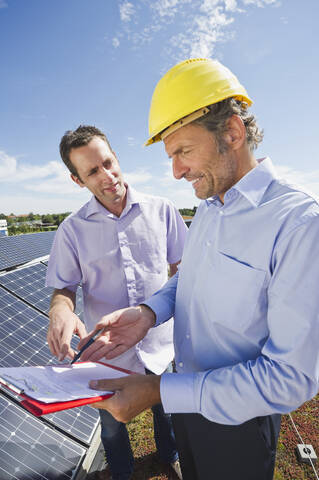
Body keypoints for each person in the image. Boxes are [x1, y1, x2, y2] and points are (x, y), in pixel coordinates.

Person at [79, 58, 319, 480]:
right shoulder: (209, 207)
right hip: (185, 403)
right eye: (172, 156)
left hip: (239, 424)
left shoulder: (298, 224)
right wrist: (148, 313)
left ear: (232, 132)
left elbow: (289, 380)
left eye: (183, 152)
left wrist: (157, 391)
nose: (176, 171)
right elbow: (188, 280)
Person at [45, 125, 187, 480]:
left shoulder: (163, 210)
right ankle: (122, 473)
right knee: (111, 427)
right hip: (106, 354)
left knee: (166, 409)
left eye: (109, 162)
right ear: (78, 180)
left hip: (159, 342)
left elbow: (182, 269)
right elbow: (63, 289)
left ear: (116, 157)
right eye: (93, 171)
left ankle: (169, 458)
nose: (108, 176)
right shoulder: (71, 231)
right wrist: (60, 310)